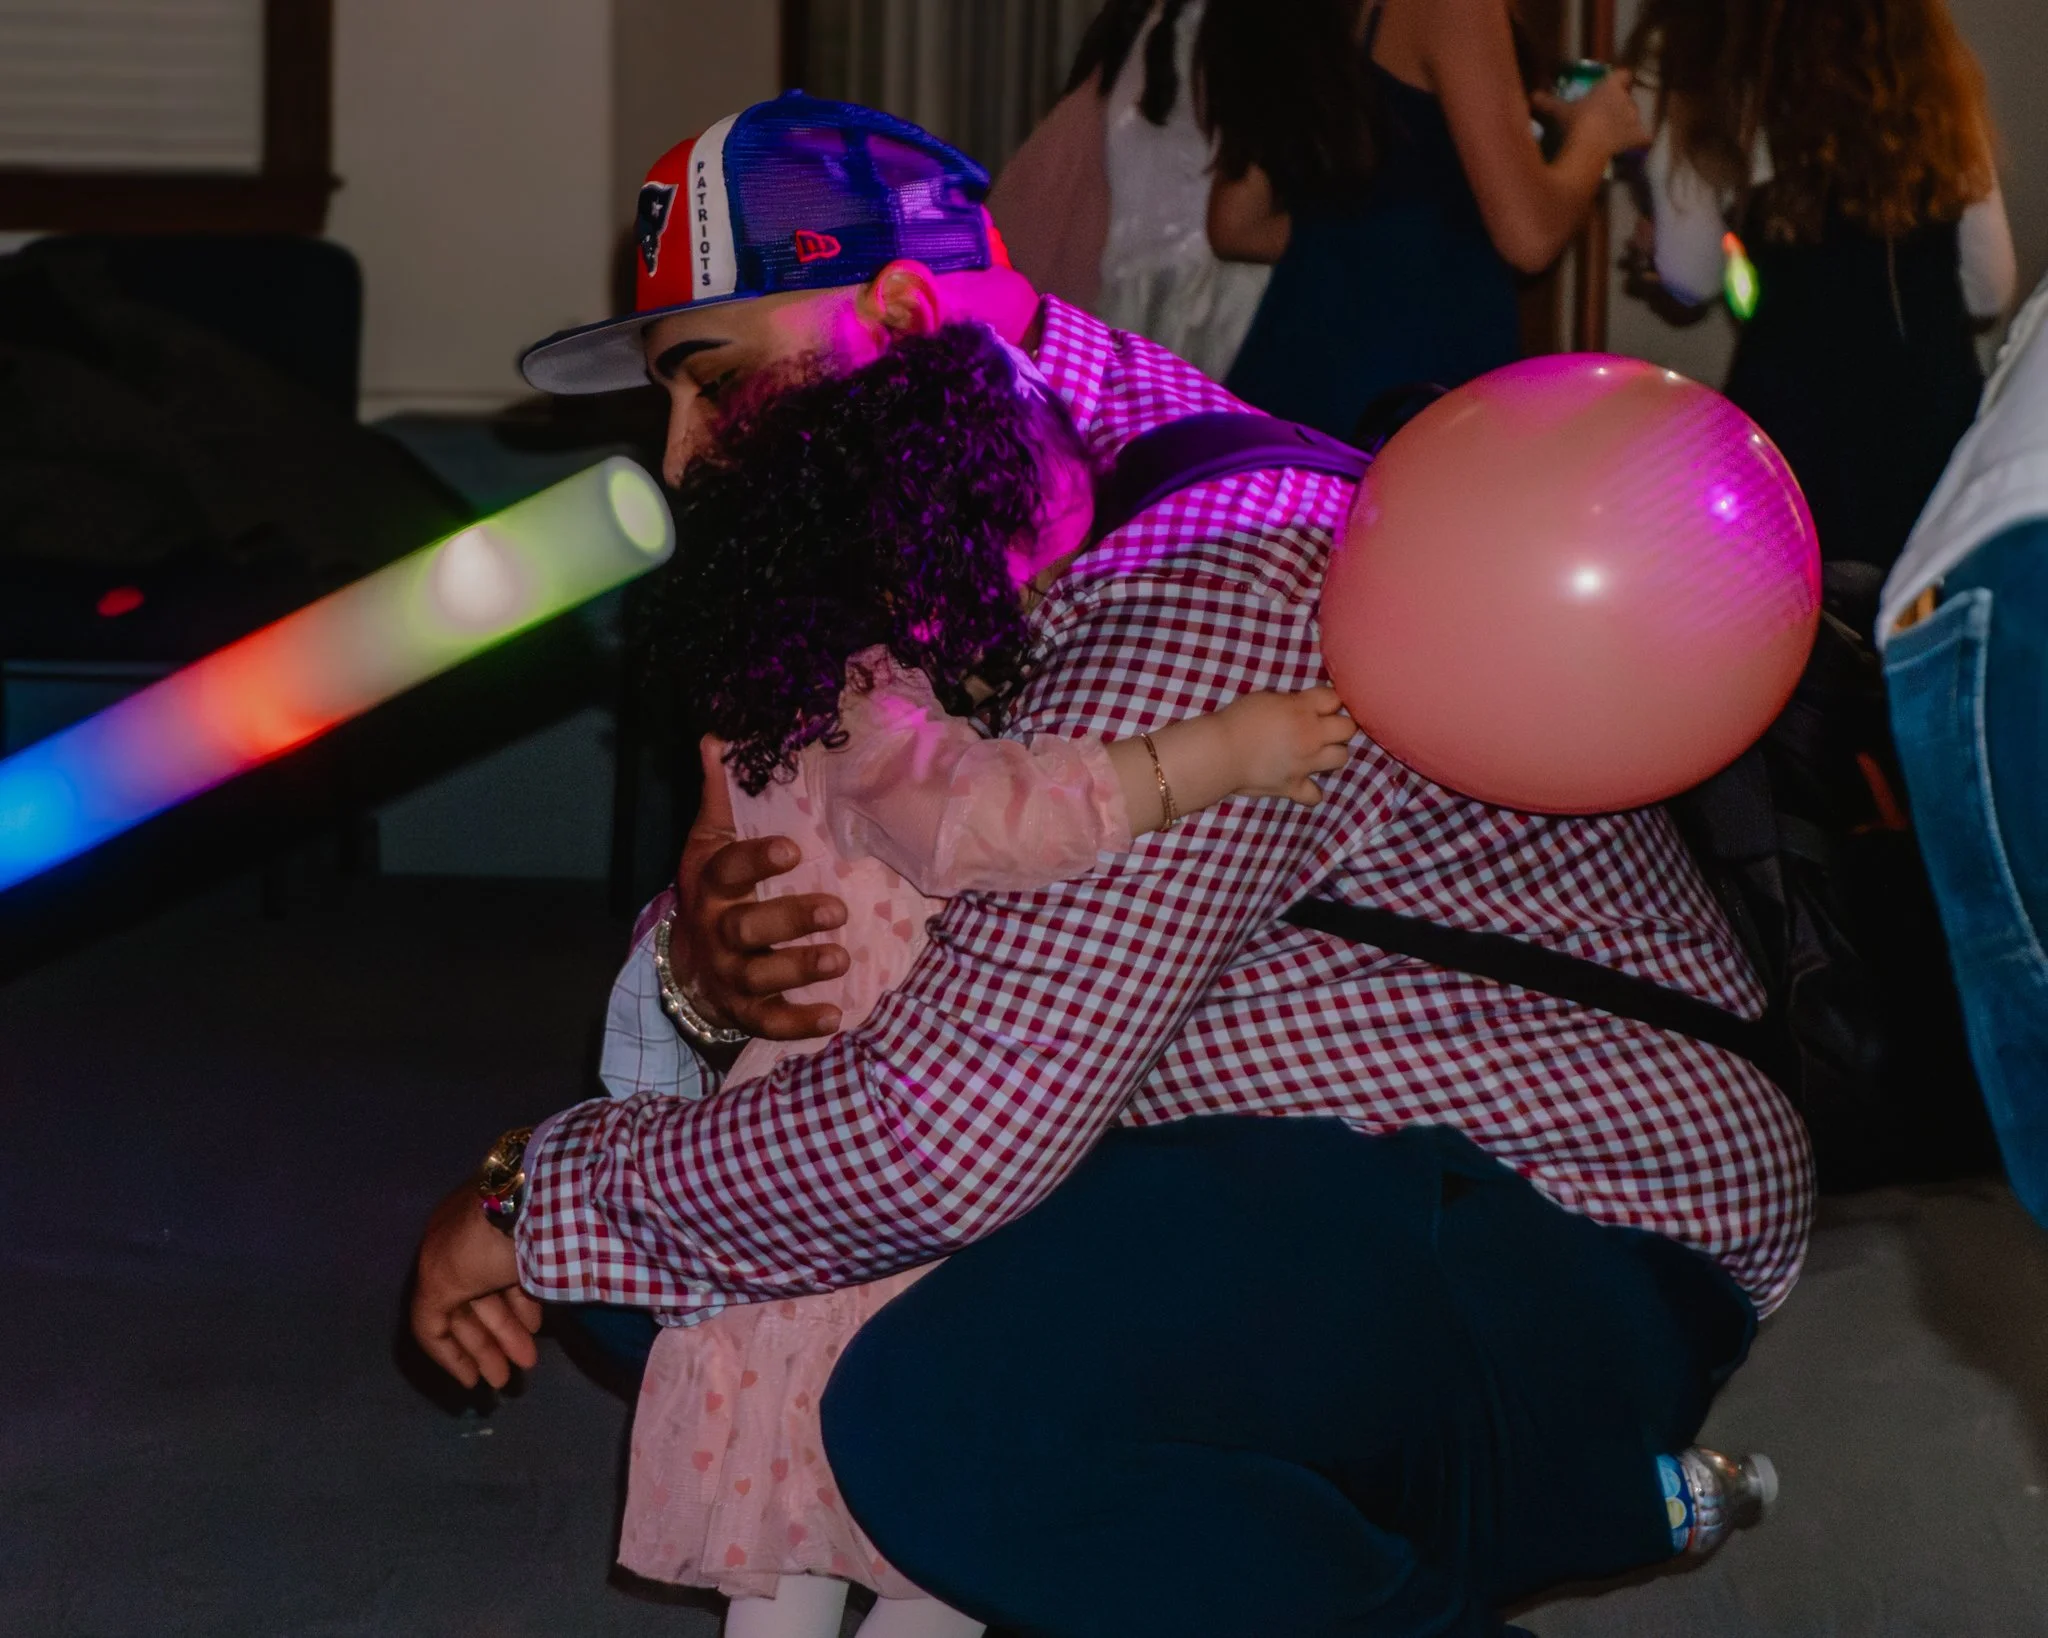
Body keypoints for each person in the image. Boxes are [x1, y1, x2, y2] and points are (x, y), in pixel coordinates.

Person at [411, 93, 1809, 1638]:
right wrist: (698, 955)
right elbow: (846, 892)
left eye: (712, 381)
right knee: (694, 1261)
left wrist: (532, 1186)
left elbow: (948, 1135)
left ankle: (1457, 1521)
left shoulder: (1200, 570)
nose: (682, 459)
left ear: (895, 313)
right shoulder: (967, 544)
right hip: (1279, 1165)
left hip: (1562, 1232)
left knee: (940, 1409)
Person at [617, 322, 1354, 1638]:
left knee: (816, 1543)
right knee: (920, 1529)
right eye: (1028, 554)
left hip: (817, 1147)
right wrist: (1213, 752)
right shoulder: (867, 703)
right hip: (871, 1169)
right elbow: (985, 821)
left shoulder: (784, 690)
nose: (1044, 601)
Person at [1628, 0, 2015, 571]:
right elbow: (1989, 288)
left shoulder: (1720, 90)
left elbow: (1692, 277)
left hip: (1792, 433)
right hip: (1931, 432)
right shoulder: (1939, 104)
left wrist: (1671, 246)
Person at [1202, 0, 1647, 438]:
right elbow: (1531, 236)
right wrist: (1596, 134)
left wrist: (1388, 224)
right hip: (1413, 381)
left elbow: (1237, 225)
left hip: (1297, 370)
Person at [1880, 270, 2048, 1233]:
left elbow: (1691, 268)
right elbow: (1980, 273)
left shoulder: (1735, 120)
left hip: (1965, 579)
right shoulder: (1951, 134)